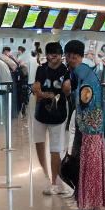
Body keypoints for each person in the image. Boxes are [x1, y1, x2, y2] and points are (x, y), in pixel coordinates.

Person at [64, 41, 105, 210]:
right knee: (93, 163)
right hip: (93, 127)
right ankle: (91, 202)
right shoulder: (87, 74)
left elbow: (84, 101)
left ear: (75, 56)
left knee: (89, 165)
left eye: (70, 56)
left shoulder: (82, 75)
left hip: (90, 129)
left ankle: (89, 206)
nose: (68, 59)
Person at [32, 41, 73, 196]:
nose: (53, 56)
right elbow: (35, 89)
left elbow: (68, 91)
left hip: (58, 114)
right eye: (51, 53)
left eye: (56, 53)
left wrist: (64, 90)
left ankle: (55, 183)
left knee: (55, 149)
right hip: (41, 113)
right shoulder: (41, 70)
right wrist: (43, 94)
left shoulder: (66, 71)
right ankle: (46, 178)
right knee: (40, 145)